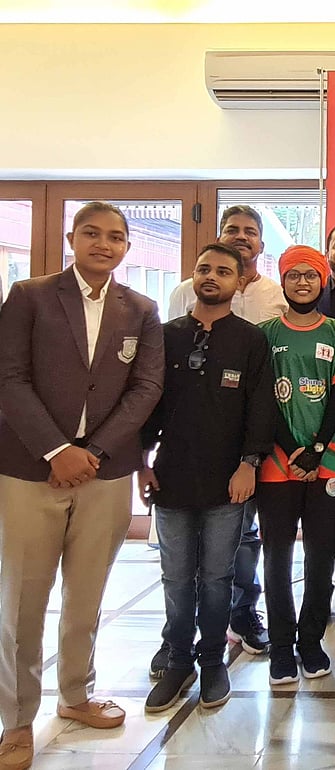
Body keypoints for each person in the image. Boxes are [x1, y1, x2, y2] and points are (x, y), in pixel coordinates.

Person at [0, 202, 163, 770]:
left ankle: (76, 694)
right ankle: (16, 719)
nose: (104, 243)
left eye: (115, 236)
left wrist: (91, 452)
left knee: (88, 592)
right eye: (92, 233)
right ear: (72, 238)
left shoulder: (140, 307)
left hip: (105, 472)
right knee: (23, 598)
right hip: (29, 468)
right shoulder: (31, 296)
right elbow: (9, 377)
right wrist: (57, 449)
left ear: (126, 247)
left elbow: (146, 388)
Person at [139, 243, 275, 712]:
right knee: (176, 578)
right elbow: (147, 403)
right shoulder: (164, 336)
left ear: (240, 282)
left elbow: (261, 408)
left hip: (228, 482)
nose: (212, 276)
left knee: (217, 578)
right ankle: (178, 661)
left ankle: (213, 661)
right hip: (172, 479)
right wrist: (143, 461)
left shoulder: (251, 340)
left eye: (223, 271)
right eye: (204, 269)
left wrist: (249, 464)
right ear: (193, 277)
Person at [257, 245, 335, 685]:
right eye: (293, 275)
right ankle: (280, 646)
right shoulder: (264, 334)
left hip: (328, 462)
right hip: (277, 464)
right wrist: (291, 448)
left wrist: (316, 448)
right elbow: (259, 400)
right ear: (282, 281)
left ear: (323, 282)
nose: (302, 282)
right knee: (276, 557)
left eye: (310, 276)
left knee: (321, 556)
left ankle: (310, 640)